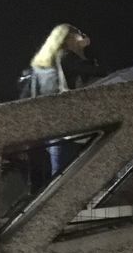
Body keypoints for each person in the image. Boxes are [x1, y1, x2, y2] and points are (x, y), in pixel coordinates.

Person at [26, 24, 98, 177]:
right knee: (70, 176)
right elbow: (100, 73)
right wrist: (85, 52)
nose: (83, 35)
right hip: (69, 126)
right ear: (69, 39)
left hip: (52, 125)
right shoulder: (67, 57)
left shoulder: (45, 62)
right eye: (79, 33)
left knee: (60, 176)